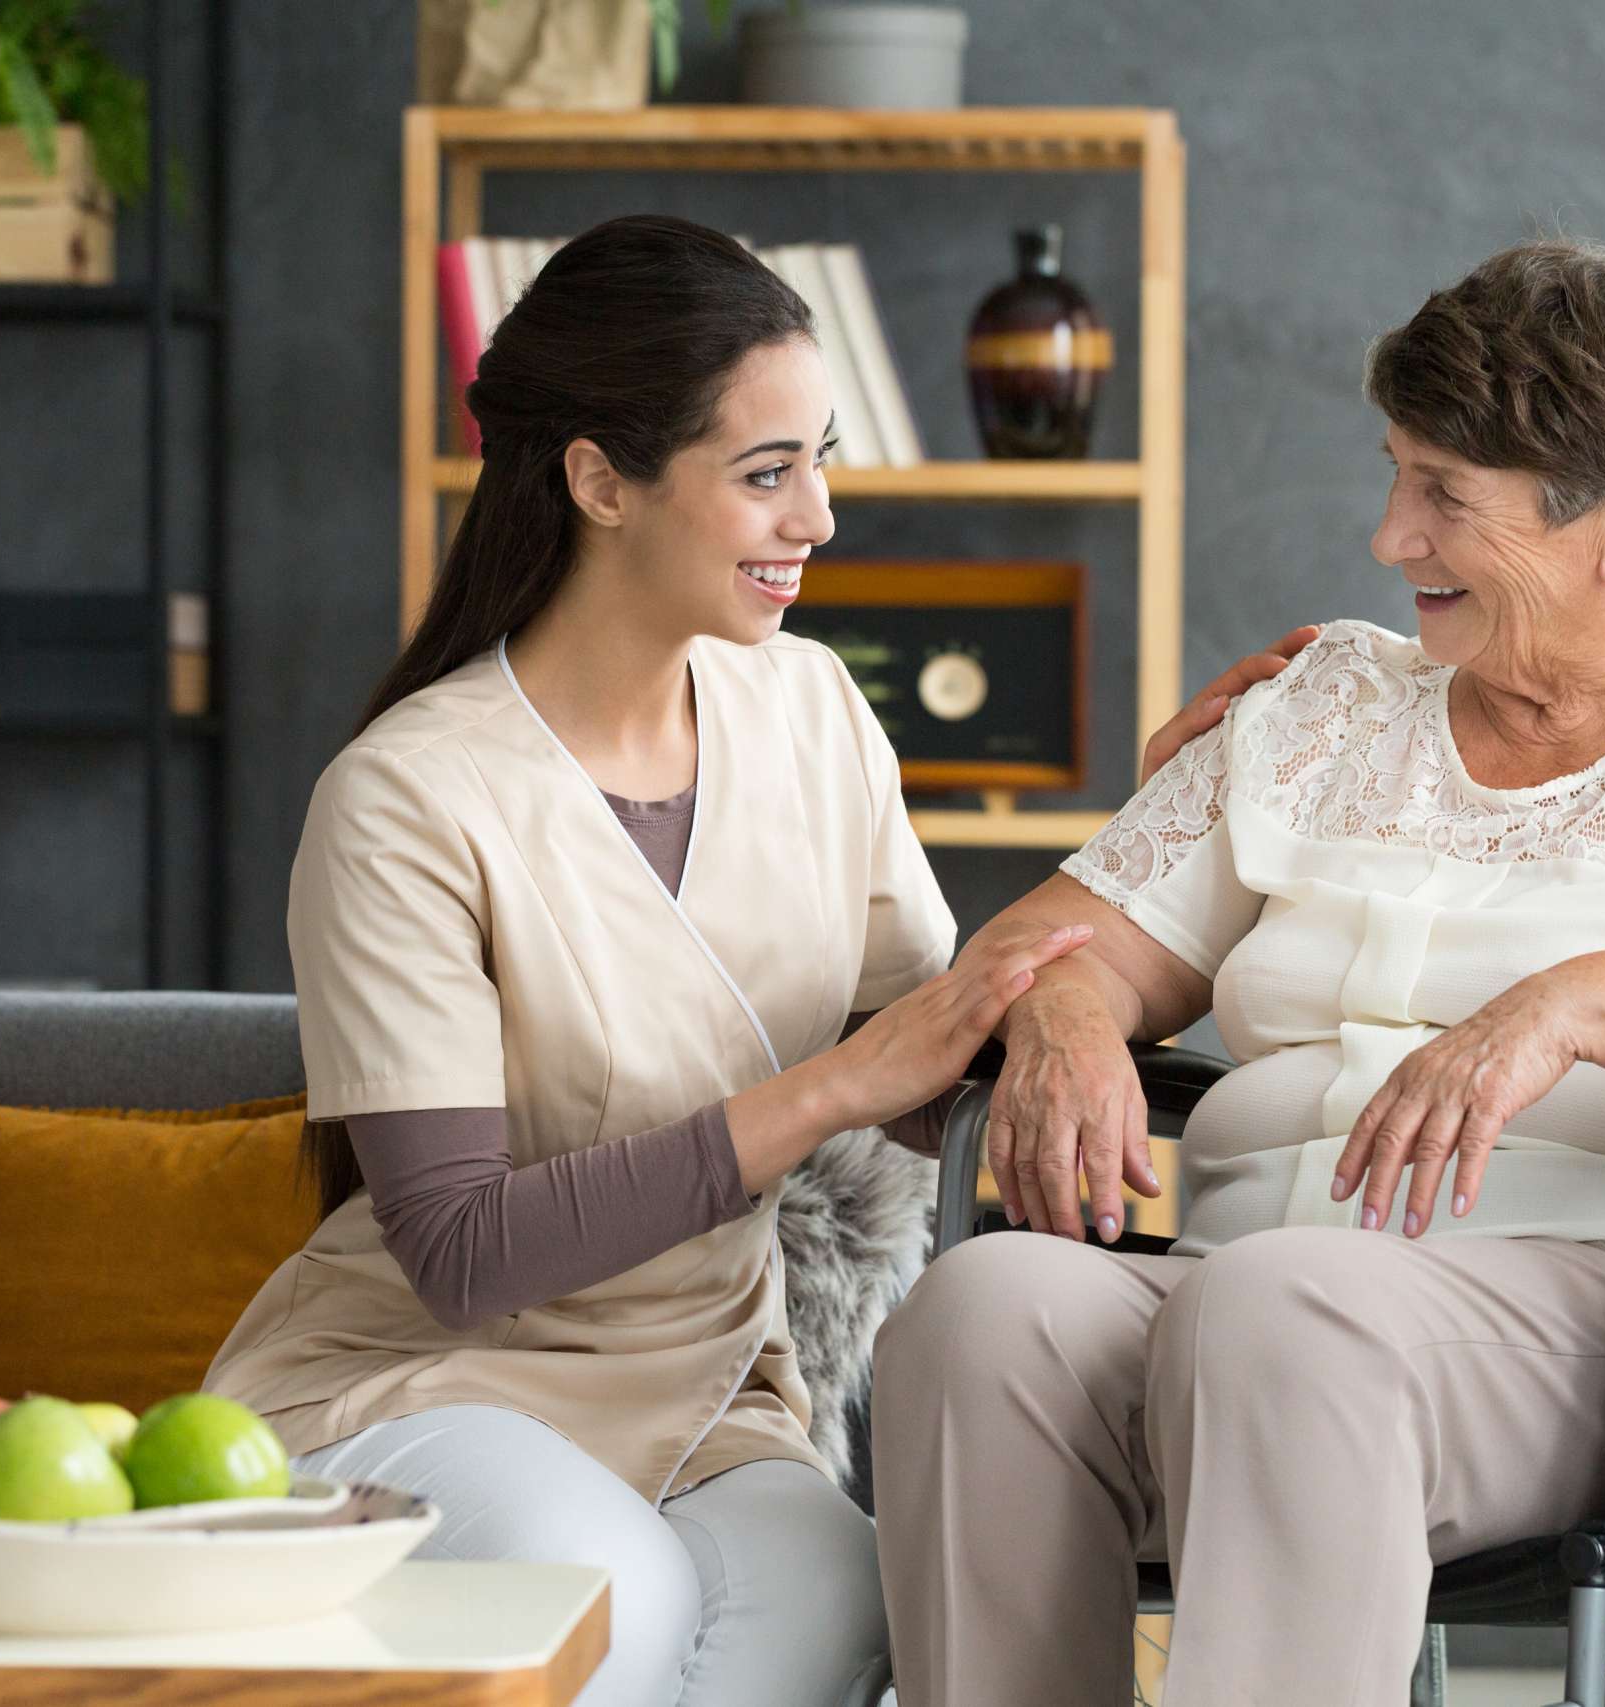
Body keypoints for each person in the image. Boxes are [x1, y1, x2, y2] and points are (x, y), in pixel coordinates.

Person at [871, 238, 1605, 1705]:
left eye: (1444, 497)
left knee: (1280, 1310)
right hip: (1249, 1285)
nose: (1390, 537)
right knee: (985, 1312)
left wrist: (1578, 1001)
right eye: (1398, 473)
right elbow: (1056, 939)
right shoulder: (1327, 704)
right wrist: (1072, 1019)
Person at [199, 213, 1306, 1707]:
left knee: (850, 1603)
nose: (822, 518)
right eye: (767, 473)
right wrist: (833, 1087)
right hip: (424, 1384)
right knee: (623, 1603)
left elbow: (930, 1064)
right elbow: (460, 1256)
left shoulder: (811, 711)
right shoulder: (406, 800)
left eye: (822, 461)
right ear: (599, 478)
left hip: (720, 1390)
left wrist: (1191, 805)